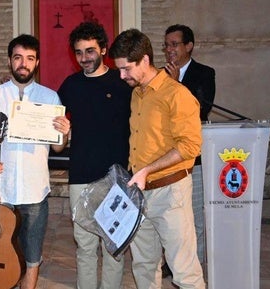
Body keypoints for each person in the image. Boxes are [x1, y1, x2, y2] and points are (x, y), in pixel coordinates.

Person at [108, 29, 205, 289]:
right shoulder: (137, 94)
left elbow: (190, 146)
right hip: (140, 193)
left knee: (184, 271)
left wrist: (147, 170)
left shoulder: (177, 95)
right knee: (144, 266)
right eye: (119, 70)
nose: (122, 75)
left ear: (145, 60)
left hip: (170, 192)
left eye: (126, 69)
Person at [0, 34, 71, 289]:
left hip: (34, 188)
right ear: (10, 61)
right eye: (18, 58)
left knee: (32, 254)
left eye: (29, 58)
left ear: (37, 63)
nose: (23, 64)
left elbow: (58, 146)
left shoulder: (50, 98)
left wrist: (65, 130)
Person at [57, 22, 132, 289]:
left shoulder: (123, 83)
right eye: (78, 52)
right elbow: (55, 134)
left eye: (90, 50)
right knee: (85, 246)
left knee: (114, 247)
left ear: (103, 49)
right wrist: (62, 132)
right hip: (80, 176)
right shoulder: (69, 86)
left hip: (117, 178)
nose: (84, 58)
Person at [163, 24, 215, 269]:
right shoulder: (159, 75)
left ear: (188, 46)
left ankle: (193, 263)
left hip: (194, 158)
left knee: (194, 214)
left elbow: (201, 110)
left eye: (174, 44)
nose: (169, 50)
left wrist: (176, 85)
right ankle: (169, 263)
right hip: (166, 156)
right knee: (169, 216)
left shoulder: (205, 73)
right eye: (166, 45)